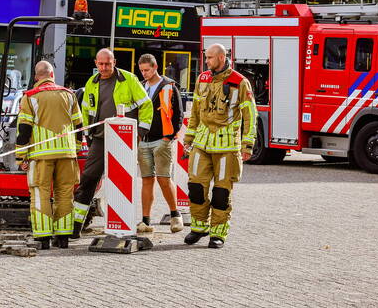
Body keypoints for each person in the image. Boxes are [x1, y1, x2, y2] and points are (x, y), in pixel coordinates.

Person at [72, 48, 153, 238]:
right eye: (100, 64)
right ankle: (76, 225)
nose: (104, 67)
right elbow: (86, 112)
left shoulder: (128, 79)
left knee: (122, 182)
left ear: (114, 62)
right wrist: (88, 135)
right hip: (99, 138)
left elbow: (146, 104)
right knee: (88, 179)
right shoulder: (91, 82)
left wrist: (140, 132)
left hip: (123, 139)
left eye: (107, 63)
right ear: (95, 63)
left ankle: (122, 225)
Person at [183, 43, 256, 248]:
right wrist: (189, 138)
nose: (206, 62)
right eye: (206, 58)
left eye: (210, 58)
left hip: (227, 146)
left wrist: (247, 144)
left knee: (221, 193)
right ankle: (198, 227)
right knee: (195, 186)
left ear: (222, 58)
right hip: (202, 142)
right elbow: (196, 111)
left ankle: (218, 233)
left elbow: (251, 115)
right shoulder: (202, 79)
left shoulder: (240, 82)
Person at [15, 60, 83, 250]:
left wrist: (21, 156)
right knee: (65, 194)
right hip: (67, 154)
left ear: (37, 77)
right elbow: (79, 125)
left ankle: (43, 238)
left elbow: (24, 130)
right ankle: (63, 238)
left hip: (41, 155)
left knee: (40, 193)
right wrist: (76, 148)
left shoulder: (30, 97)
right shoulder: (69, 95)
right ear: (52, 75)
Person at [135, 53, 184, 234]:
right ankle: (146, 221)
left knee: (164, 179)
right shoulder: (140, 87)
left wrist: (168, 137)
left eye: (147, 70)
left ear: (155, 68)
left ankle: (175, 215)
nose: (144, 74)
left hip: (161, 140)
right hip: (144, 141)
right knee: (147, 180)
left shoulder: (169, 86)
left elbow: (178, 114)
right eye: (141, 70)